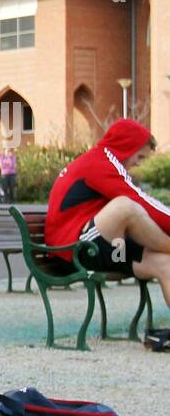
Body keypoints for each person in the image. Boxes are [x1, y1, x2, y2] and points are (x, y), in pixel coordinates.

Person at [46, 118, 170, 307]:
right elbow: (141, 202)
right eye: (140, 157)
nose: (139, 164)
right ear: (126, 147)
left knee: (166, 264)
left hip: (103, 246)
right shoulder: (99, 161)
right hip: (72, 250)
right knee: (125, 207)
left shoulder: (106, 163)